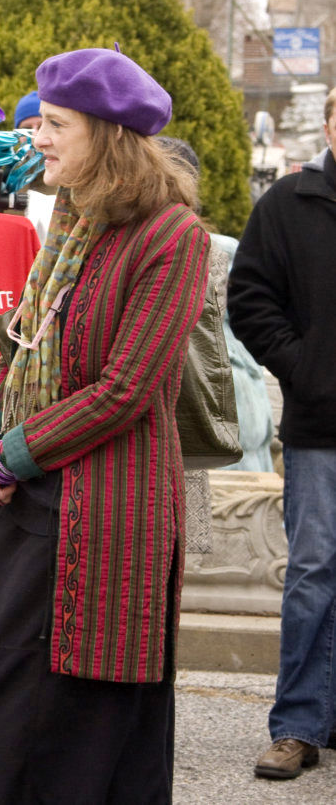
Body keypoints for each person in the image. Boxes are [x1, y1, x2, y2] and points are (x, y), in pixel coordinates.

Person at [0, 48, 210, 803]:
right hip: (32, 508)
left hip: (107, 518)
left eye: (56, 124)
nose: (38, 137)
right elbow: (25, 337)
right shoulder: (69, 217)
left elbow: (125, 387)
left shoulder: (171, 237)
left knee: (80, 735)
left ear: (108, 133)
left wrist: (8, 457)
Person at [228, 86, 336, 780]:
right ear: (330, 121)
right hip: (322, 425)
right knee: (313, 573)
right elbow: (248, 297)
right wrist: (306, 369)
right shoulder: (288, 206)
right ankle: (297, 724)